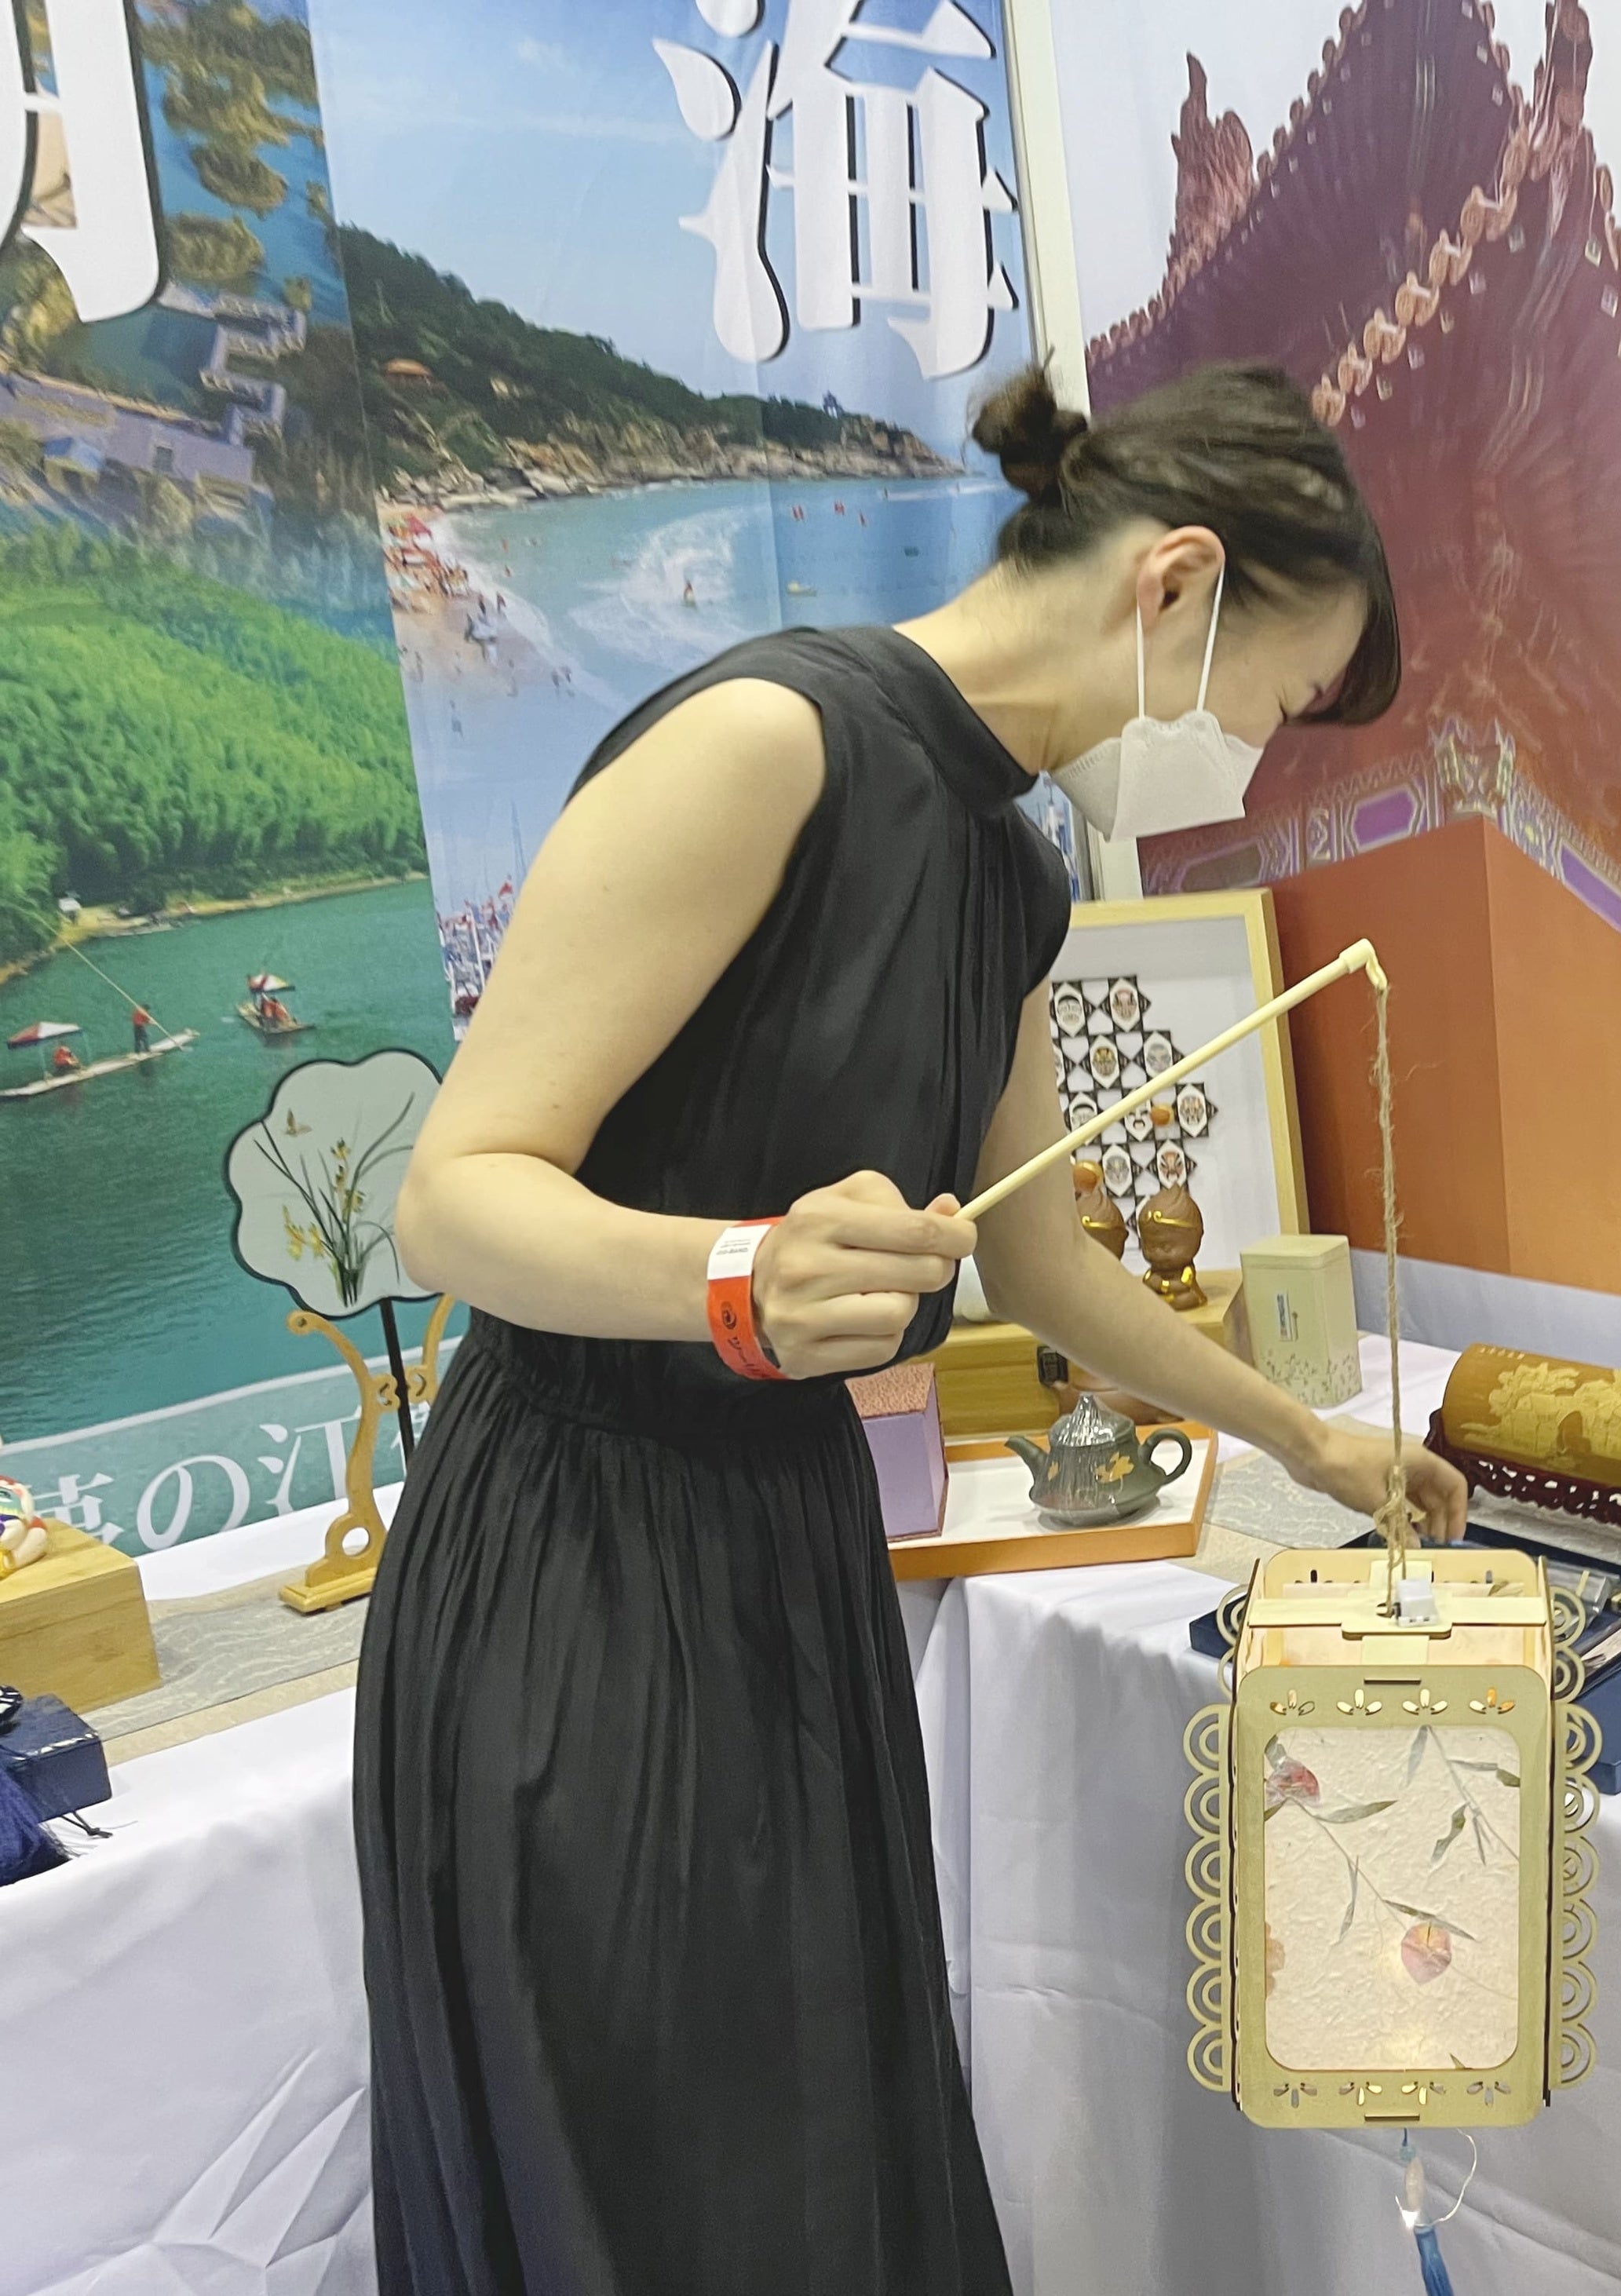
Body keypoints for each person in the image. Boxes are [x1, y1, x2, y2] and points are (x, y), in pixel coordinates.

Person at [364, 360, 1465, 2294]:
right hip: (582, 1585)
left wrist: (1304, 1437)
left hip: (789, 1564)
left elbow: (1042, 1263)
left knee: (826, 2178)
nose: (1250, 763)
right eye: (1272, 707)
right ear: (1175, 585)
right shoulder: (766, 745)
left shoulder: (1003, 867)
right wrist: (734, 1274)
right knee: (666, 2198)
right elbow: (452, 1193)